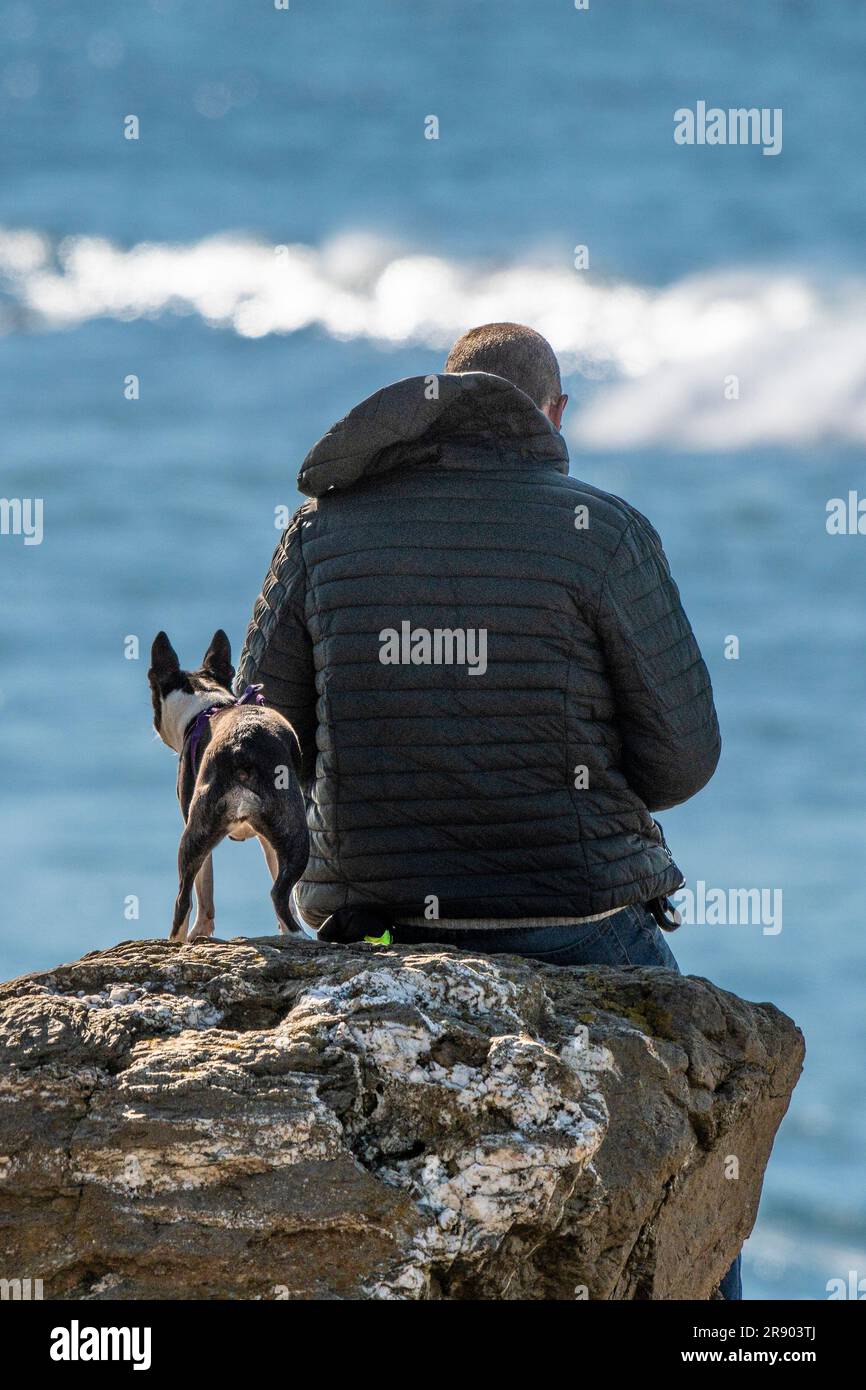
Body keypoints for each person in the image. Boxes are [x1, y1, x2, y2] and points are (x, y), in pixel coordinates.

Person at [236, 322, 737, 1298]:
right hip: (581, 926)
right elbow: (683, 760)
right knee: (690, 1191)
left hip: (375, 932)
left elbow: (263, 754)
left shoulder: (319, 532)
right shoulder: (605, 531)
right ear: (551, 416)